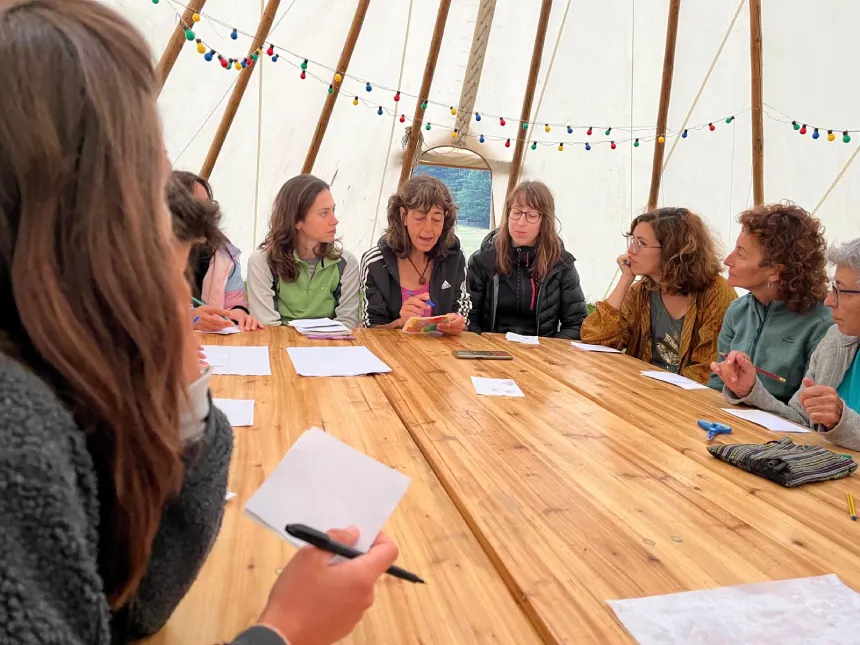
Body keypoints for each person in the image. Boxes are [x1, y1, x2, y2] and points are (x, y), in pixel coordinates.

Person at [0, 3, 396, 645]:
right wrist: (283, 630)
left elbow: (131, 602)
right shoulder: (15, 427)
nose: (168, 179)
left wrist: (182, 372)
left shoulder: (56, 370)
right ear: (81, 188)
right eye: (146, 154)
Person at [713, 239, 860, 451]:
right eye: (832, 288)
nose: (829, 301)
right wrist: (751, 391)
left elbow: (838, 424)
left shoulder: (822, 325)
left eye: (840, 291)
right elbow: (799, 421)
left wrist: (842, 421)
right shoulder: (835, 340)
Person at [580, 207, 736, 383]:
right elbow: (593, 339)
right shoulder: (641, 291)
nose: (631, 250)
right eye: (632, 241)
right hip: (641, 392)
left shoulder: (715, 292)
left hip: (686, 402)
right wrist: (626, 278)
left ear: (672, 250)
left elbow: (707, 370)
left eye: (641, 243)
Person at [708, 203, 832, 400]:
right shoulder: (738, 311)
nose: (727, 260)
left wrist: (750, 394)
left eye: (741, 253)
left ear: (775, 272)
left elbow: (806, 415)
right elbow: (716, 385)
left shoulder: (822, 325)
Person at [467, 180, 588, 338]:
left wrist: (547, 353)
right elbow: (469, 319)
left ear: (545, 221)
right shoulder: (482, 261)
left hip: (541, 356)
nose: (520, 222)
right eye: (516, 212)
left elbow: (576, 323)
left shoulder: (561, 265)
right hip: (491, 352)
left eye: (531, 215)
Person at [360, 175, 471, 333]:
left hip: (440, 354)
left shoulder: (454, 258)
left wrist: (458, 324)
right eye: (420, 218)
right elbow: (369, 330)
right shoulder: (375, 262)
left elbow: (463, 316)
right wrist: (401, 322)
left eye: (437, 219)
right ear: (403, 215)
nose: (428, 229)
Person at [247, 175, 360, 329]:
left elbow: (347, 324)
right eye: (324, 213)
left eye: (333, 211)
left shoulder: (346, 263)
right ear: (296, 221)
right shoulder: (262, 261)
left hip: (330, 348)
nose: (335, 220)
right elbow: (268, 327)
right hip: (279, 348)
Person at [172, 170, 261, 332]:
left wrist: (237, 313)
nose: (205, 212)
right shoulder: (146, 258)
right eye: (197, 205)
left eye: (207, 204)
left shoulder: (225, 254)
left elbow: (234, 303)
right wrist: (187, 320)